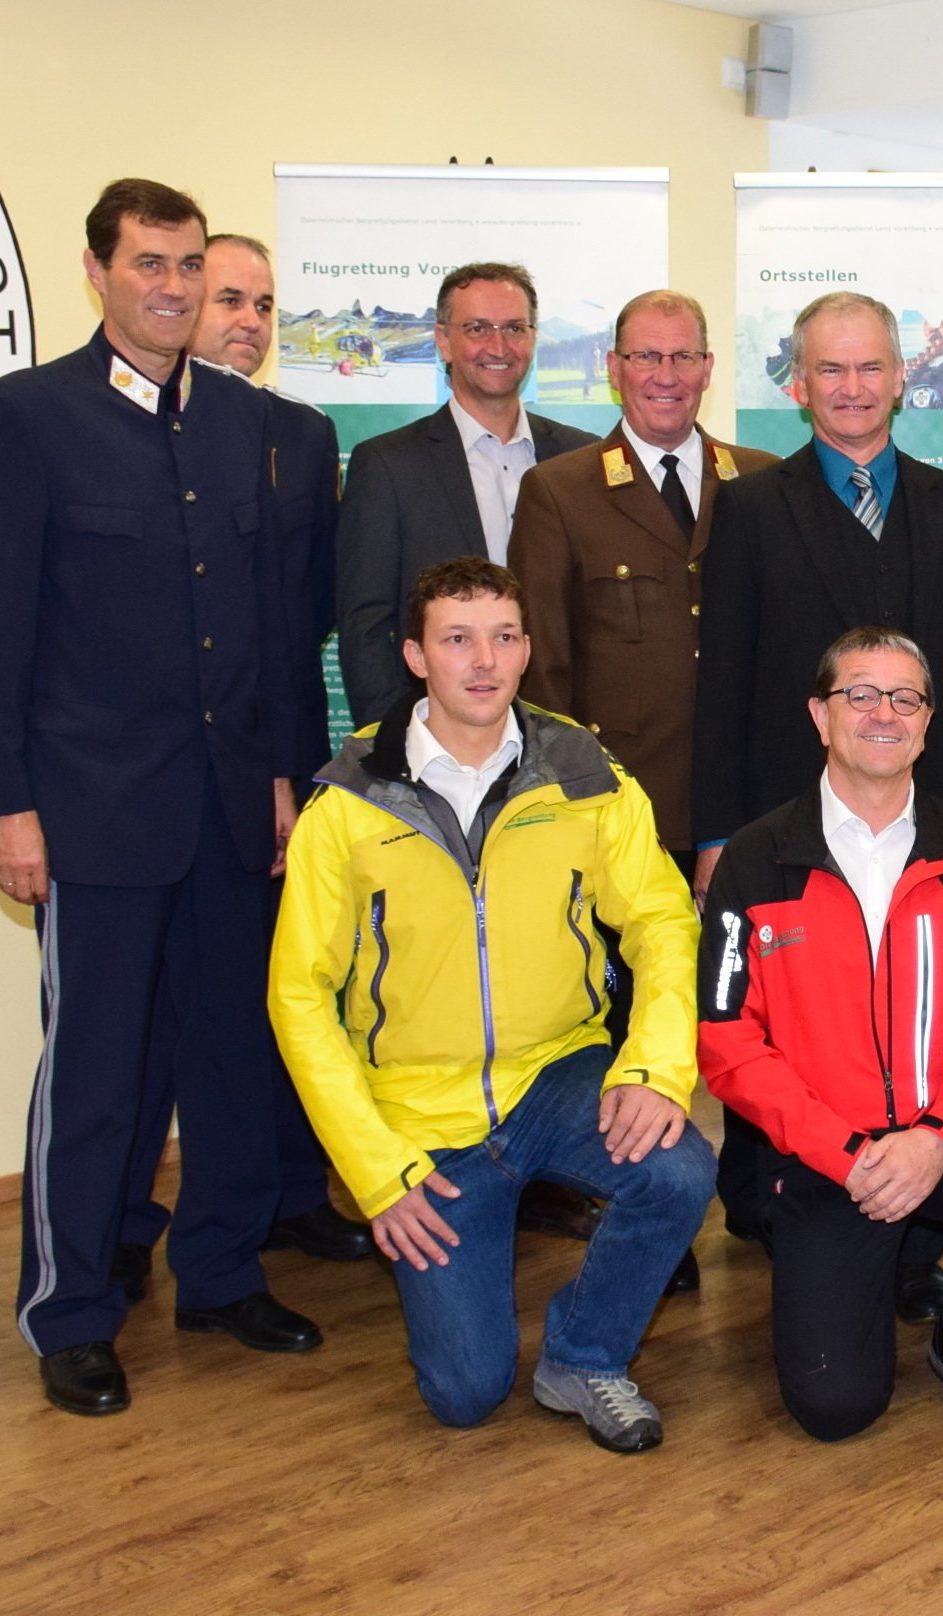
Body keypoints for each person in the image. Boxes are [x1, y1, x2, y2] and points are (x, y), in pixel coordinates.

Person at [270, 558, 714, 1451]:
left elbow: (664, 921)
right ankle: (486, 1313)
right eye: (457, 638)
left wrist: (656, 1069)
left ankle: (585, 1352)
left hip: (556, 1071)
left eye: (504, 637)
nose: (484, 660)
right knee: (464, 1394)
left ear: (526, 650)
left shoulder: (582, 771)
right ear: (415, 655)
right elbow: (298, 996)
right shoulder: (349, 796)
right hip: (421, 1113)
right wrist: (374, 1168)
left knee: (677, 1169)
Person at [1, 178, 319, 1417]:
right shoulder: (30, 419)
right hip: (93, 807)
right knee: (97, 1070)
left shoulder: (248, 425)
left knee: (233, 1052)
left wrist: (289, 772)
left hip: (237, 796)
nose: (175, 287)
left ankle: (223, 1269)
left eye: (191, 265)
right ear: (97, 271)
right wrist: (11, 800)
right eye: (151, 264)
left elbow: (277, 630)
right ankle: (72, 1308)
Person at [690, 291, 943, 1287]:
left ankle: (916, 1224)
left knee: (922, 1019)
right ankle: (772, 1200)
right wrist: (714, 832)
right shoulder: (749, 507)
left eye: (870, 367)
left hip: (935, 818)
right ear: (797, 385)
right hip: (792, 822)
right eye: (829, 370)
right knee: (790, 1024)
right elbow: (726, 677)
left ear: (902, 377)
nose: (852, 388)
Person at [699, 628, 943, 1441]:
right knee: (836, 1409)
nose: (884, 714)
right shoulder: (756, 858)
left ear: (928, 720)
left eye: (905, 697)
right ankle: (882, 1267)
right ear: (820, 715)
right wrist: (846, 1155)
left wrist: (936, 1140)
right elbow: (729, 1044)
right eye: (860, 694)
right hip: (823, 1153)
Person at [112, 233, 373, 1299]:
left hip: (274, 758)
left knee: (268, 992)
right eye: (230, 298)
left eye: (264, 304)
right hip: (135, 779)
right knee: (132, 1026)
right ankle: (123, 1223)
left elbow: (307, 604)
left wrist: (280, 763)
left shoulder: (301, 436)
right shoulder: (106, 423)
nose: (248, 322)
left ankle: (284, 1195)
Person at [510, 289, 776, 866]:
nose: (666, 376)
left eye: (683, 357)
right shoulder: (559, 491)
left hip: (751, 808)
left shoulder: (762, 480)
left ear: (708, 368)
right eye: (646, 357)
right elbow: (542, 670)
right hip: (619, 806)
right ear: (613, 368)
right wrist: (566, 802)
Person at [336, 261, 596, 727]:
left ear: (533, 338)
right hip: (435, 739)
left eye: (514, 328)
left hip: (559, 737)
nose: (498, 346)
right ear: (442, 340)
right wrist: (396, 746)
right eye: (478, 328)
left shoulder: (581, 458)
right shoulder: (387, 466)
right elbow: (366, 628)